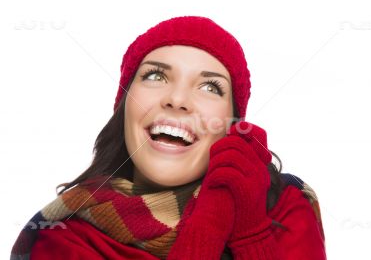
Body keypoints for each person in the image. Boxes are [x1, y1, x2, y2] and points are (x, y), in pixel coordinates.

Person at [10, 16, 326, 260]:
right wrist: (207, 230)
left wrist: (251, 236)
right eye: (155, 76)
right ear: (124, 105)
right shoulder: (63, 236)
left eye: (210, 87)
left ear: (232, 125)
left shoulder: (285, 207)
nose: (177, 99)